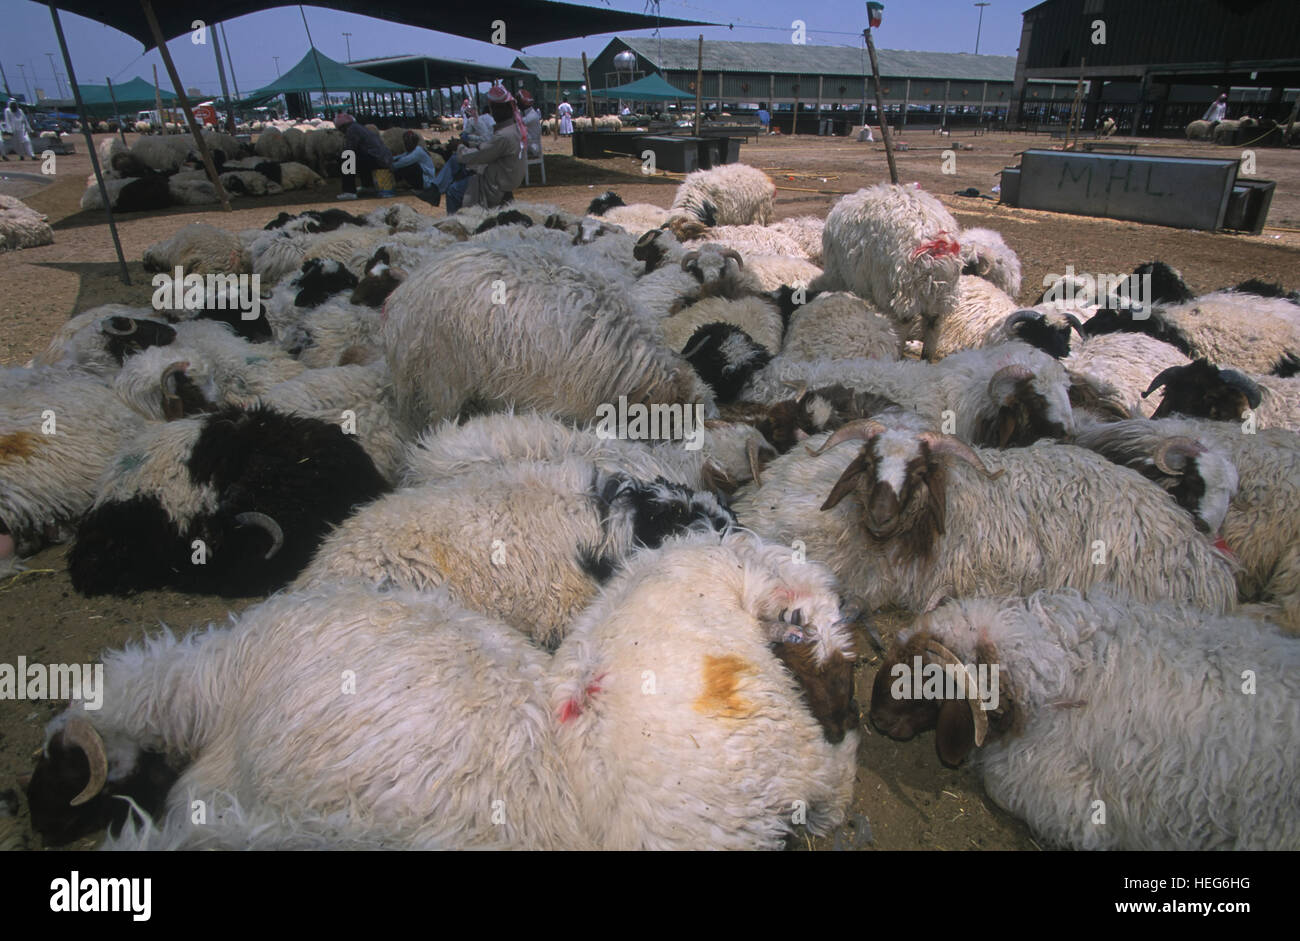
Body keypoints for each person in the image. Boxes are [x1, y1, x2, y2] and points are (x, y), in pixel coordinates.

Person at [428, 85, 525, 214]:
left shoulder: (504, 135)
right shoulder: (513, 129)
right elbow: (488, 146)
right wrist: (468, 145)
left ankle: (455, 223)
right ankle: (434, 190)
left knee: (453, 191)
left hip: (495, 182)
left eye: (496, 108)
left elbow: (482, 153)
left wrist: (460, 147)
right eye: (493, 108)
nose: (494, 112)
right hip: (501, 174)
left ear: (506, 109)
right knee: (456, 161)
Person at [333, 112, 393, 200]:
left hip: (378, 160)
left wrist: (338, 156)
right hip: (382, 158)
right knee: (360, 157)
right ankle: (368, 186)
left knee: (347, 158)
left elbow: (350, 149)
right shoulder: (358, 127)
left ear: (343, 126)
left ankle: (349, 191)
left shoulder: (351, 130)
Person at [390, 130, 438, 199]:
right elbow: (400, 157)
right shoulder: (411, 151)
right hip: (423, 179)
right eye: (406, 143)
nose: (406, 145)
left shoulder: (418, 151)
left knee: (411, 166)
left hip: (427, 181)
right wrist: (390, 159)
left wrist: (390, 165)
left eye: (408, 143)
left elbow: (404, 162)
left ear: (414, 142)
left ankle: (393, 184)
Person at [517, 89, 543, 159]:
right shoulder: (525, 114)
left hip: (532, 146)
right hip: (528, 144)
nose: (517, 104)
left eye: (518, 102)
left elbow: (517, 126)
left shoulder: (532, 116)